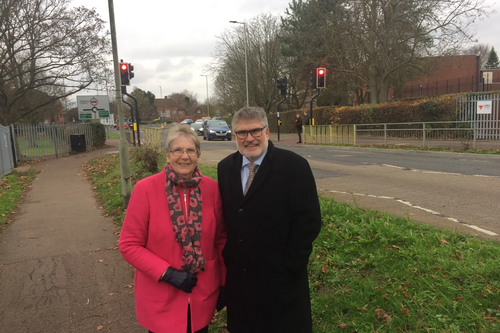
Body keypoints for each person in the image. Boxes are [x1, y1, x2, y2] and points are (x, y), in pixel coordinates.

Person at [217, 107, 322, 333]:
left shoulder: (294, 166)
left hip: (281, 281)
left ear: (266, 131)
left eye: (255, 131)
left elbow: (309, 221)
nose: (249, 138)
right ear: (234, 136)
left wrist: (290, 265)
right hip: (241, 283)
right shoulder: (225, 168)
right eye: (242, 133)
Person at [119, 124, 226, 333]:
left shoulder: (212, 189)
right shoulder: (146, 189)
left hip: (201, 295)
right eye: (177, 150)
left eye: (190, 150)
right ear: (167, 155)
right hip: (161, 298)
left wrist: (224, 282)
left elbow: (221, 240)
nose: (184, 156)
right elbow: (129, 245)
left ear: (198, 154)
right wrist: (167, 273)